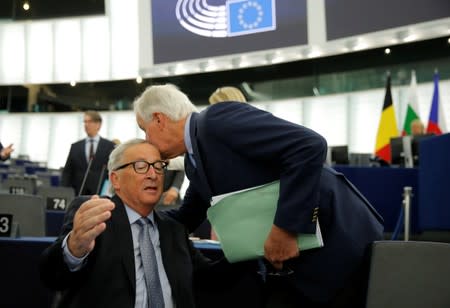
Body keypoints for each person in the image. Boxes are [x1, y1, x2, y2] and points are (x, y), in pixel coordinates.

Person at [132, 84, 384, 308]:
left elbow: (309, 145)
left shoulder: (217, 119)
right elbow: (187, 216)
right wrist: (133, 218)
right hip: (296, 267)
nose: (147, 140)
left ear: (159, 120)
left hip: (338, 242)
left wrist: (285, 228)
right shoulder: (193, 161)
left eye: (145, 130)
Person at [40, 139, 229, 308]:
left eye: (158, 166)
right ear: (115, 179)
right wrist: (73, 249)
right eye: (141, 166)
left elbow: (212, 279)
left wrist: (250, 245)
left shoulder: (174, 229)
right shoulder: (96, 215)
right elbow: (53, 277)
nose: (153, 175)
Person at [61, 110, 115, 195]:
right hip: (78, 192)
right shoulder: (75, 146)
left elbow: (112, 170)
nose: (86, 125)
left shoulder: (109, 146)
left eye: (89, 122)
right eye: (85, 122)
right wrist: (64, 192)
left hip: (99, 192)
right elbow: (67, 172)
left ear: (98, 124)